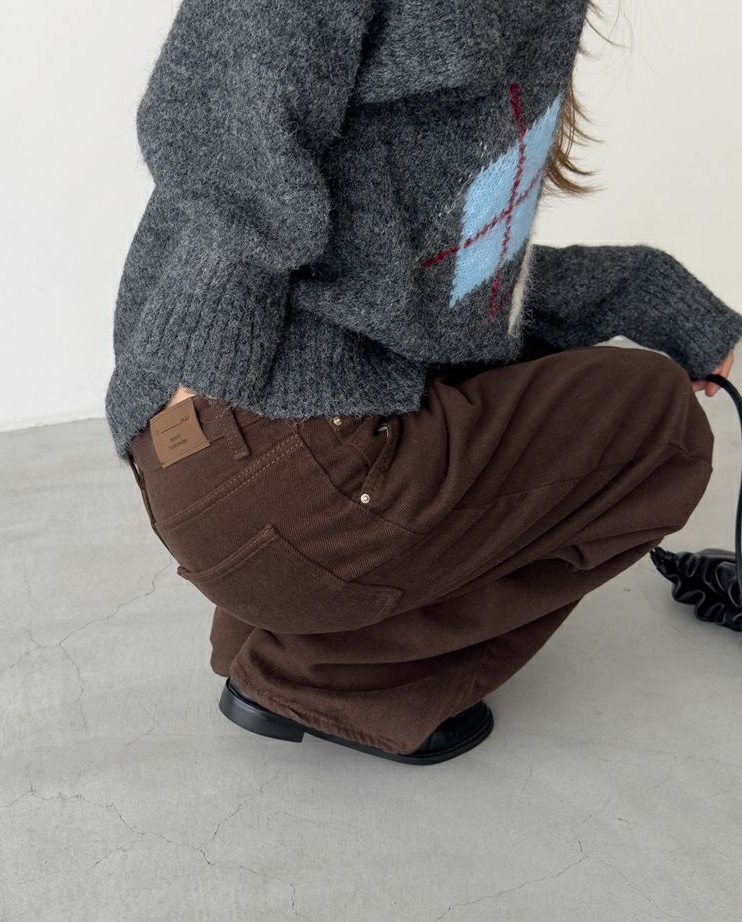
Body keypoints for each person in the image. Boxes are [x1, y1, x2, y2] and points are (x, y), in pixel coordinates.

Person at [105, 0, 742, 764]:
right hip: (284, 466)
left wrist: (654, 295)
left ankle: (292, 628)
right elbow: (219, 119)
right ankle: (334, 679)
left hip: (196, 471)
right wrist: (213, 355)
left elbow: (439, 297)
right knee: (659, 428)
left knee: (504, 379)